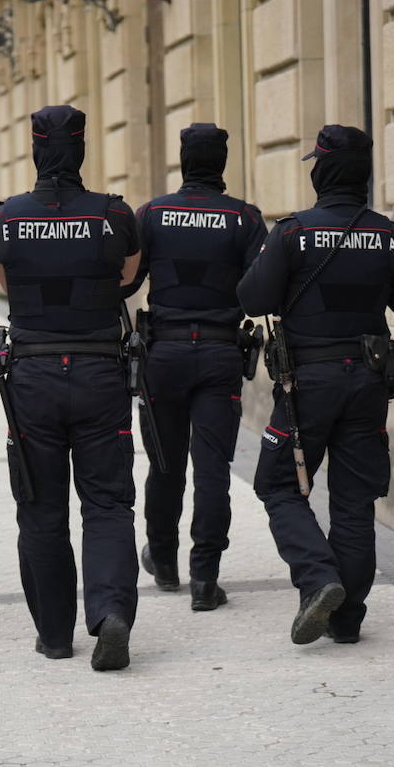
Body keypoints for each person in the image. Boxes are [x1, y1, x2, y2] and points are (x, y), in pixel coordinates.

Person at [237, 124, 394, 645]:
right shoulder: (390, 235)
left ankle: (319, 580)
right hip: (368, 381)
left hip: (307, 384)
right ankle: (347, 619)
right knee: (353, 500)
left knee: (277, 484)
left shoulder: (293, 232)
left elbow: (251, 299)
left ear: (320, 170)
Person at [0, 104, 141, 671]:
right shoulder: (115, 214)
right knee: (106, 502)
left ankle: (54, 635)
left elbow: (9, 288)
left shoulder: (7, 218)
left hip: (31, 375)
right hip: (101, 372)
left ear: (34, 150)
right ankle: (110, 614)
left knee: (40, 508)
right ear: (81, 150)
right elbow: (127, 280)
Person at [127, 123, 268, 611]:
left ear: (184, 160)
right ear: (221, 162)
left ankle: (163, 563)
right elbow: (260, 294)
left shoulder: (152, 214)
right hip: (218, 353)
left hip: (162, 355)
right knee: (213, 470)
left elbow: (126, 284)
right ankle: (205, 579)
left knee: (164, 466)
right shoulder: (245, 219)